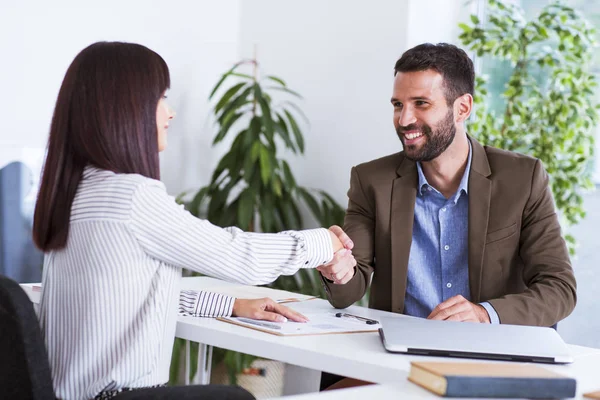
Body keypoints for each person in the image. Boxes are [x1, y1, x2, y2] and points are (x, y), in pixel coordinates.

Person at [32, 41, 355, 400]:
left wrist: (228, 305)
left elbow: (126, 298)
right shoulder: (131, 196)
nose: (169, 113)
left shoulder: (77, 194)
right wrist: (325, 243)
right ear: (124, 109)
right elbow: (240, 255)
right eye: (160, 99)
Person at [319, 42, 577, 389]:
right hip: (399, 363)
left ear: (462, 107)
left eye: (420, 104)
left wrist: (485, 314)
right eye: (398, 105)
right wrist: (337, 269)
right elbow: (349, 288)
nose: (404, 119)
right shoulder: (372, 181)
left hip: (490, 360)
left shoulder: (522, 178)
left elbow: (560, 289)